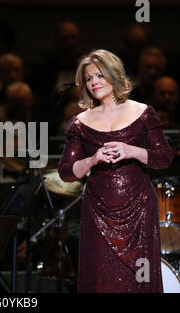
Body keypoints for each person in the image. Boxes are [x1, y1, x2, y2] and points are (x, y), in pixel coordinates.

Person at [58, 49, 173, 293]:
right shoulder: (80, 122)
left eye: (99, 75)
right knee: (101, 281)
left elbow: (164, 158)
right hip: (98, 211)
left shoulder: (142, 113)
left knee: (139, 282)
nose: (94, 83)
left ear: (114, 74)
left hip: (138, 209)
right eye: (89, 79)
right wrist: (93, 159)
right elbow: (67, 172)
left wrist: (132, 151)